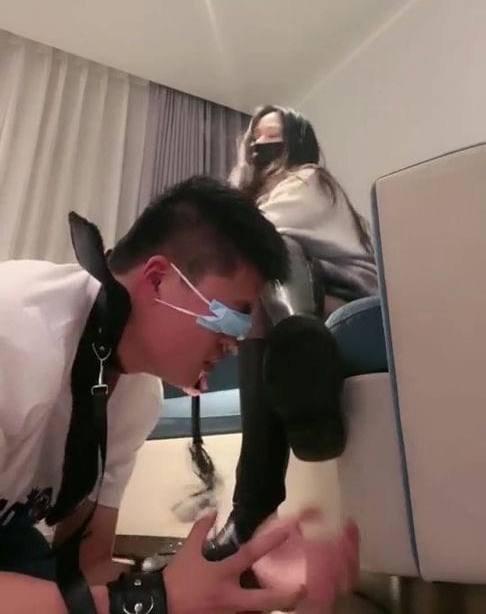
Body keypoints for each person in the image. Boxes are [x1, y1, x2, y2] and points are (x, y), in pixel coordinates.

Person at [0, 176, 356, 614]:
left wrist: (242, 574)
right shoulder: (13, 335)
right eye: (233, 318)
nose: (236, 344)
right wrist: (150, 600)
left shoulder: (136, 399)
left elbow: (87, 568)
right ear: (157, 280)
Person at [204, 106, 378, 561]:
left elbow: (254, 237)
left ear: (295, 143)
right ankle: (300, 371)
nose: (262, 145)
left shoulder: (309, 180)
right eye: (256, 137)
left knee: (271, 250)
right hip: (290, 309)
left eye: (274, 137)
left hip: (344, 297)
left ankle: (252, 504)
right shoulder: (258, 196)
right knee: (258, 303)